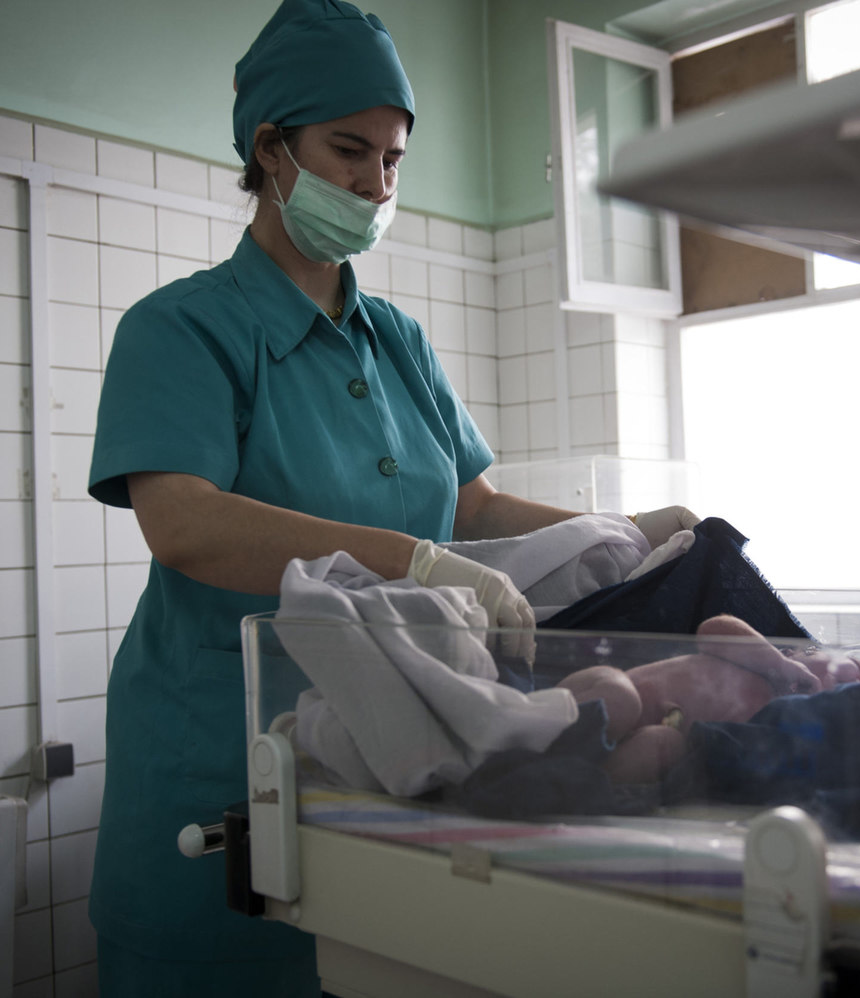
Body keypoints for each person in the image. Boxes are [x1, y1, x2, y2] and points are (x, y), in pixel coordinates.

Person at [85, 1, 698, 991]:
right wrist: (407, 558)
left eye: (394, 159)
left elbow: (476, 507)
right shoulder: (182, 329)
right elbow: (185, 523)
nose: (376, 183)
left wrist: (629, 537)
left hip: (395, 770)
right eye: (348, 150)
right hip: (224, 769)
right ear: (270, 148)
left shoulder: (399, 341)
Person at [556, 616, 860, 784]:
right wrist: (779, 665)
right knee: (622, 700)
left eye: (843, 694)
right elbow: (712, 629)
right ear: (795, 653)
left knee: (663, 742)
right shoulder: (759, 660)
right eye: (840, 675)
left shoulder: (775, 725)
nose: (834, 688)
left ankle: (571, 786)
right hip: (602, 691)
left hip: (628, 742)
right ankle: (541, 736)